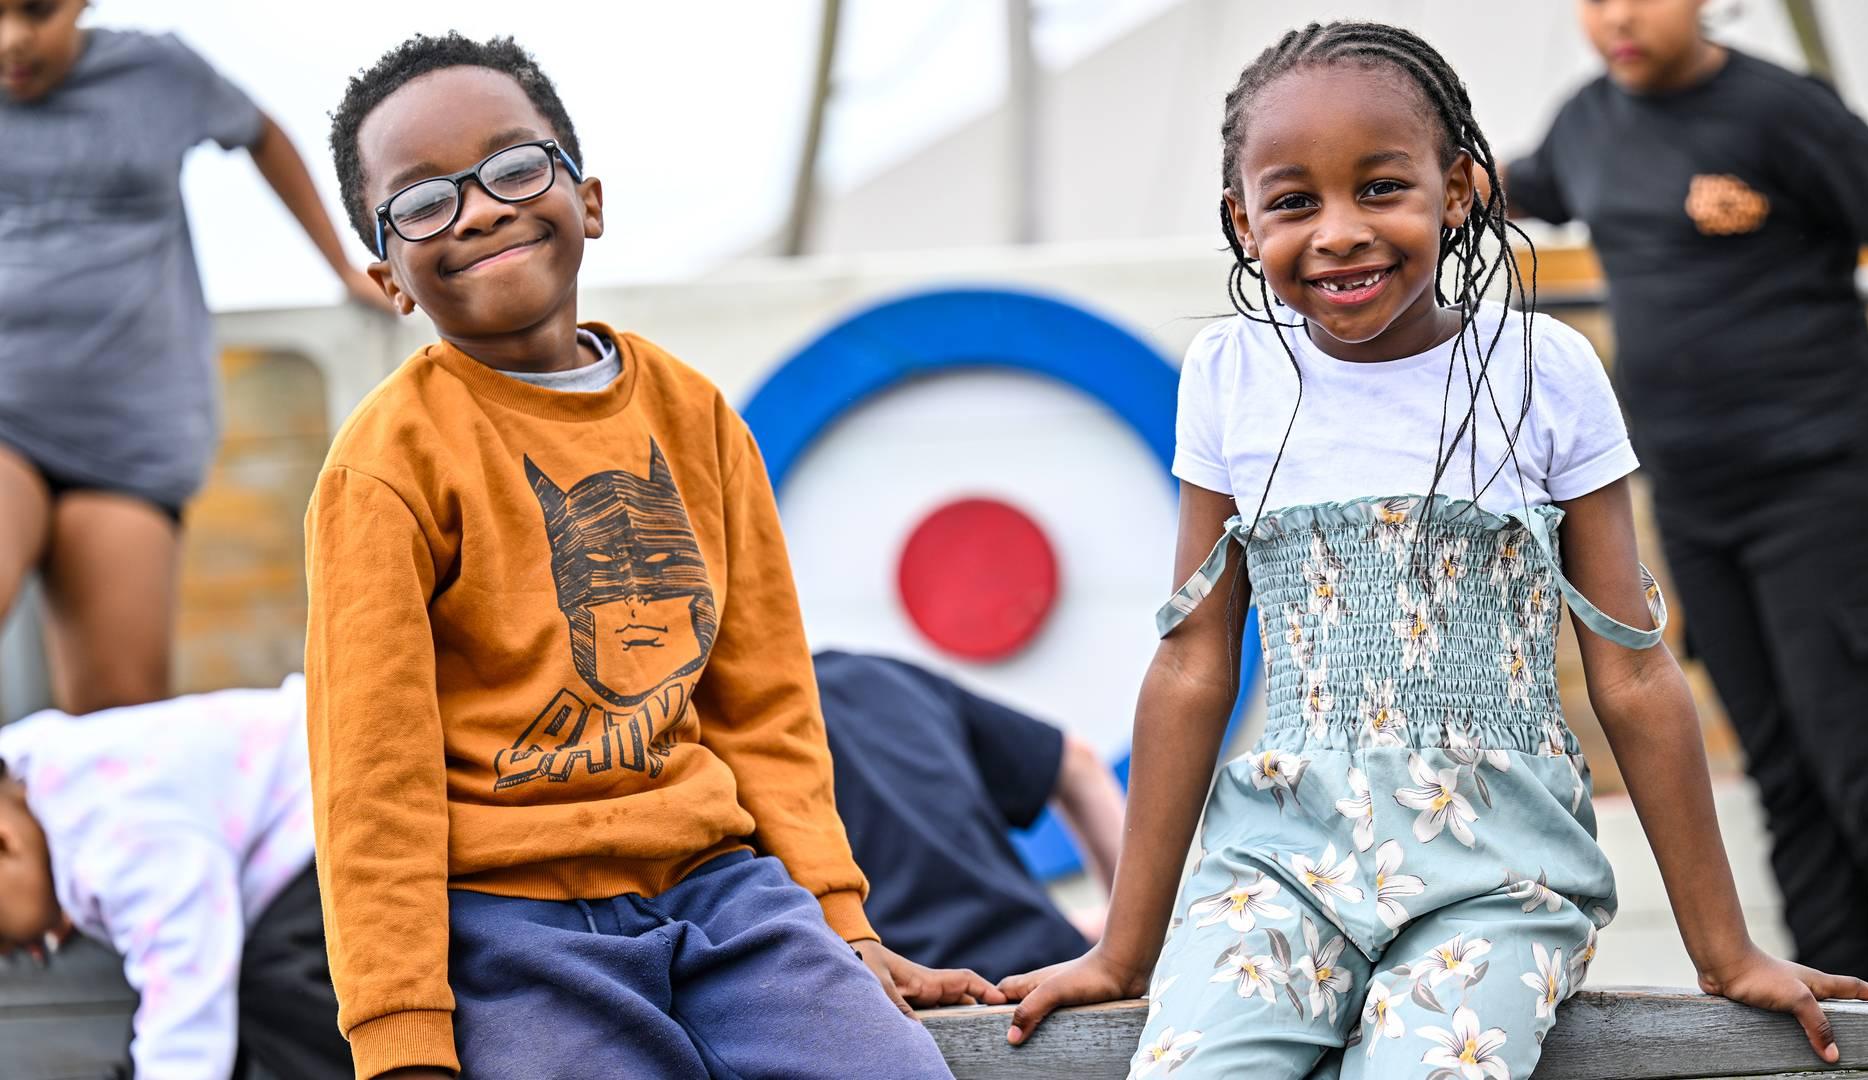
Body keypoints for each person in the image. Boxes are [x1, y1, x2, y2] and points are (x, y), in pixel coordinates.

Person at [994, 20, 1868, 1079]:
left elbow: (1637, 674)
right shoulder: (1231, 375)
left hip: (1498, 876)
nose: (1338, 232)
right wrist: (1121, 951)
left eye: (1380, 188)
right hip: (1281, 864)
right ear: (1243, 221)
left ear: (1459, 187)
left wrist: (1723, 950)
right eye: (1293, 202)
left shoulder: (1541, 371)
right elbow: (1194, 663)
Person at [306, 33, 998, 1080]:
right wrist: (403, 1041)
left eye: (513, 167)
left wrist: (842, 925)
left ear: (587, 200)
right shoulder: (385, 468)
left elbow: (764, 702)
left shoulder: (695, 415)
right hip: (511, 929)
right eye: (423, 202)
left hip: (727, 895)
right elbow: (372, 784)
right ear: (388, 276)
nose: (481, 209)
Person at [1499, 0, 1868, 988]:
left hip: (1830, 492)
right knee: (1783, 779)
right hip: (1693, 505)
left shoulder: (1785, 113)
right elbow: (1496, 184)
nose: (1619, 17)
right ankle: (1845, 1023)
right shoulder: (1585, 123)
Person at [0, 0, 386, 716]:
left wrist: (341, 265)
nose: (12, 40)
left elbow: (263, 135)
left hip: (131, 438)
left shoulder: (159, 72)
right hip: (7, 415)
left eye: (37, 12)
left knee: (120, 715)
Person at [0, 676, 351, 1078]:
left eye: (2, 936)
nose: (9, 955)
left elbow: (187, 1005)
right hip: (306, 812)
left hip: (336, 813)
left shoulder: (124, 840)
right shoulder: (39, 775)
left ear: (4, 842)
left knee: (274, 985)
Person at [814, 649, 1126, 983]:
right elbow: (1078, 762)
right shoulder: (874, 675)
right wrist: (1125, 934)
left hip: (912, 998)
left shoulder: (762, 727)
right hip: (1050, 964)